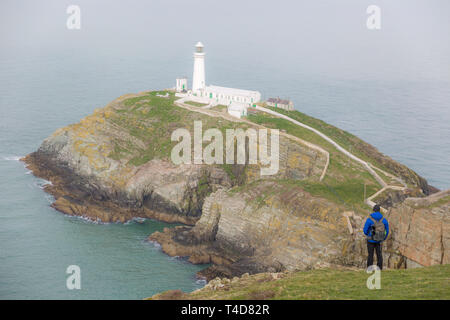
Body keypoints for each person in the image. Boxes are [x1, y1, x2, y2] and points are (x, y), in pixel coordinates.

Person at [363, 204, 389, 270]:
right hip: (379, 240)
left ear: (373, 210)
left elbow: (365, 230)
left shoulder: (369, 219)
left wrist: (368, 234)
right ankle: (380, 268)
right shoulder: (384, 220)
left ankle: (369, 268)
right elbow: (387, 231)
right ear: (379, 211)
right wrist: (383, 238)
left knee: (370, 255)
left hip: (370, 240)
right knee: (379, 255)